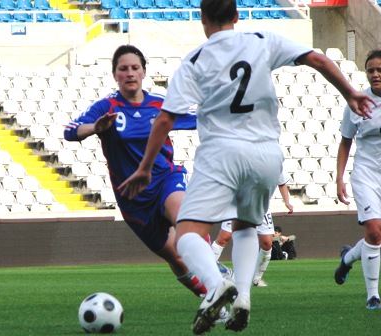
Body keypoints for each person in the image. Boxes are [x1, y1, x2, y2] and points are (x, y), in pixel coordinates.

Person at [119, 0, 375, 333]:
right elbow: (317, 58)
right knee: (245, 227)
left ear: (202, 19)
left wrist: (143, 168)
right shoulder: (260, 39)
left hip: (221, 152)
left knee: (187, 234)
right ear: (237, 16)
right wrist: (351, 93)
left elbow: (165, 119)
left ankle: (215, 285)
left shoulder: (195, 60)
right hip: (267, 154)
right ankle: (243, 298)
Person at [63, 45, 216, 302]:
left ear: (144, 72)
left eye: (135, 68)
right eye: (123, 69)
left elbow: (200, 118)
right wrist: (94, 128)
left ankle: (214, 272)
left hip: (165, 179)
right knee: (176, 256)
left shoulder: (161, 104)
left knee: (184, 222)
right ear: (115, 75)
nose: (130, 73)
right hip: (133, 199)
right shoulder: (106, 107)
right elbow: (70, 131)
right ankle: (210, 298)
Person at [334, 49, 381, 310]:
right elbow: (345, 142)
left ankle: (347, 258)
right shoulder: (357, 102)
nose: (375, 74)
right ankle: (372, 296)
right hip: (365, 173)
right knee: (374, 230)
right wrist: (339, 178)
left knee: (379, 236)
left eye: (379, 70)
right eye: (371, 70)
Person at [211, 170, 294, 287]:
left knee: (267, 243)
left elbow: (281, 183)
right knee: (224, 237)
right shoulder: (242, 156)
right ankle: (207, 271)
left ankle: (257, 279)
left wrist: (287, 202)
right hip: (236, 203)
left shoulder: (273, 160)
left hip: (261, 206)